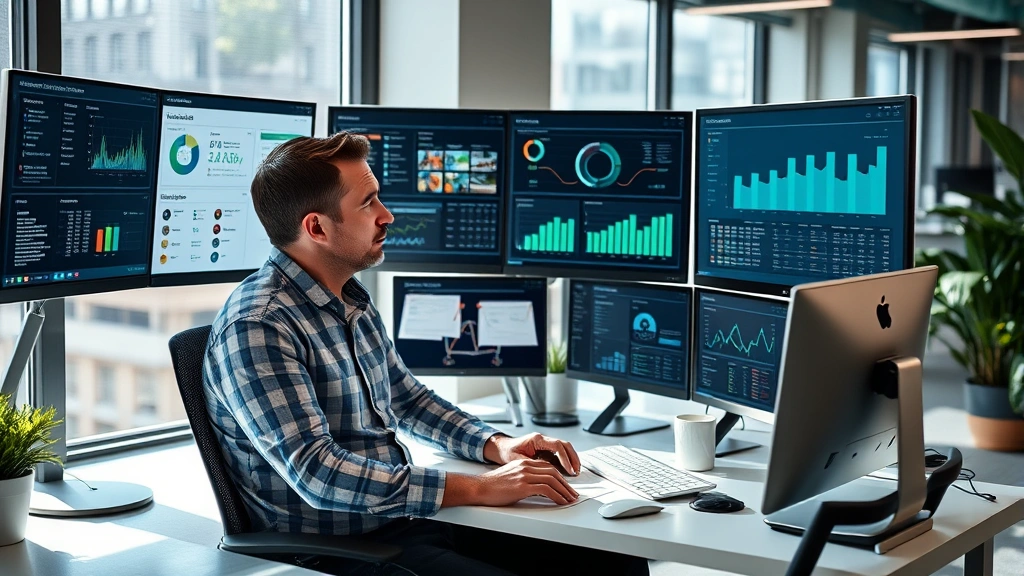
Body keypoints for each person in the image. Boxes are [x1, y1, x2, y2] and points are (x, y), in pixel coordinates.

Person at [203, 132, 649, 576]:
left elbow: (408, 400)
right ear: (316, 227)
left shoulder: (347, 298)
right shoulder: (259, 326)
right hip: (337, 550)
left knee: (617, 562)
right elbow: (319, 473)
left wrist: (498, 446)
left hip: (406, 521)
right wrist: (476, 488)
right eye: (368, 203)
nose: (388, 215)